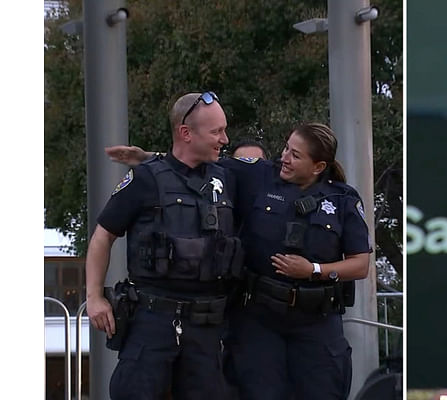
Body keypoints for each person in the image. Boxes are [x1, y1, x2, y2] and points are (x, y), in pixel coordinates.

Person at [107, 122, 372, 400]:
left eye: (295, 155)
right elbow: (196, 159)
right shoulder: (258, 174)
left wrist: (313, 270)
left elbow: (359, 264)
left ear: (318, 166)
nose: (284, 157)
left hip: (316, 323)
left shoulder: (343, 199)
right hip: (260, 321)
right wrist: (145, 157)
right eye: (285, 148)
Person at [86, 91, 243, 399]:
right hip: (153, 321)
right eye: (216, 131)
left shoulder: (227, 177)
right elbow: (103, 235)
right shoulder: (145, 180)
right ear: (186, 133)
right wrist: (93, 296)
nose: (225, 139)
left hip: (207, 328)